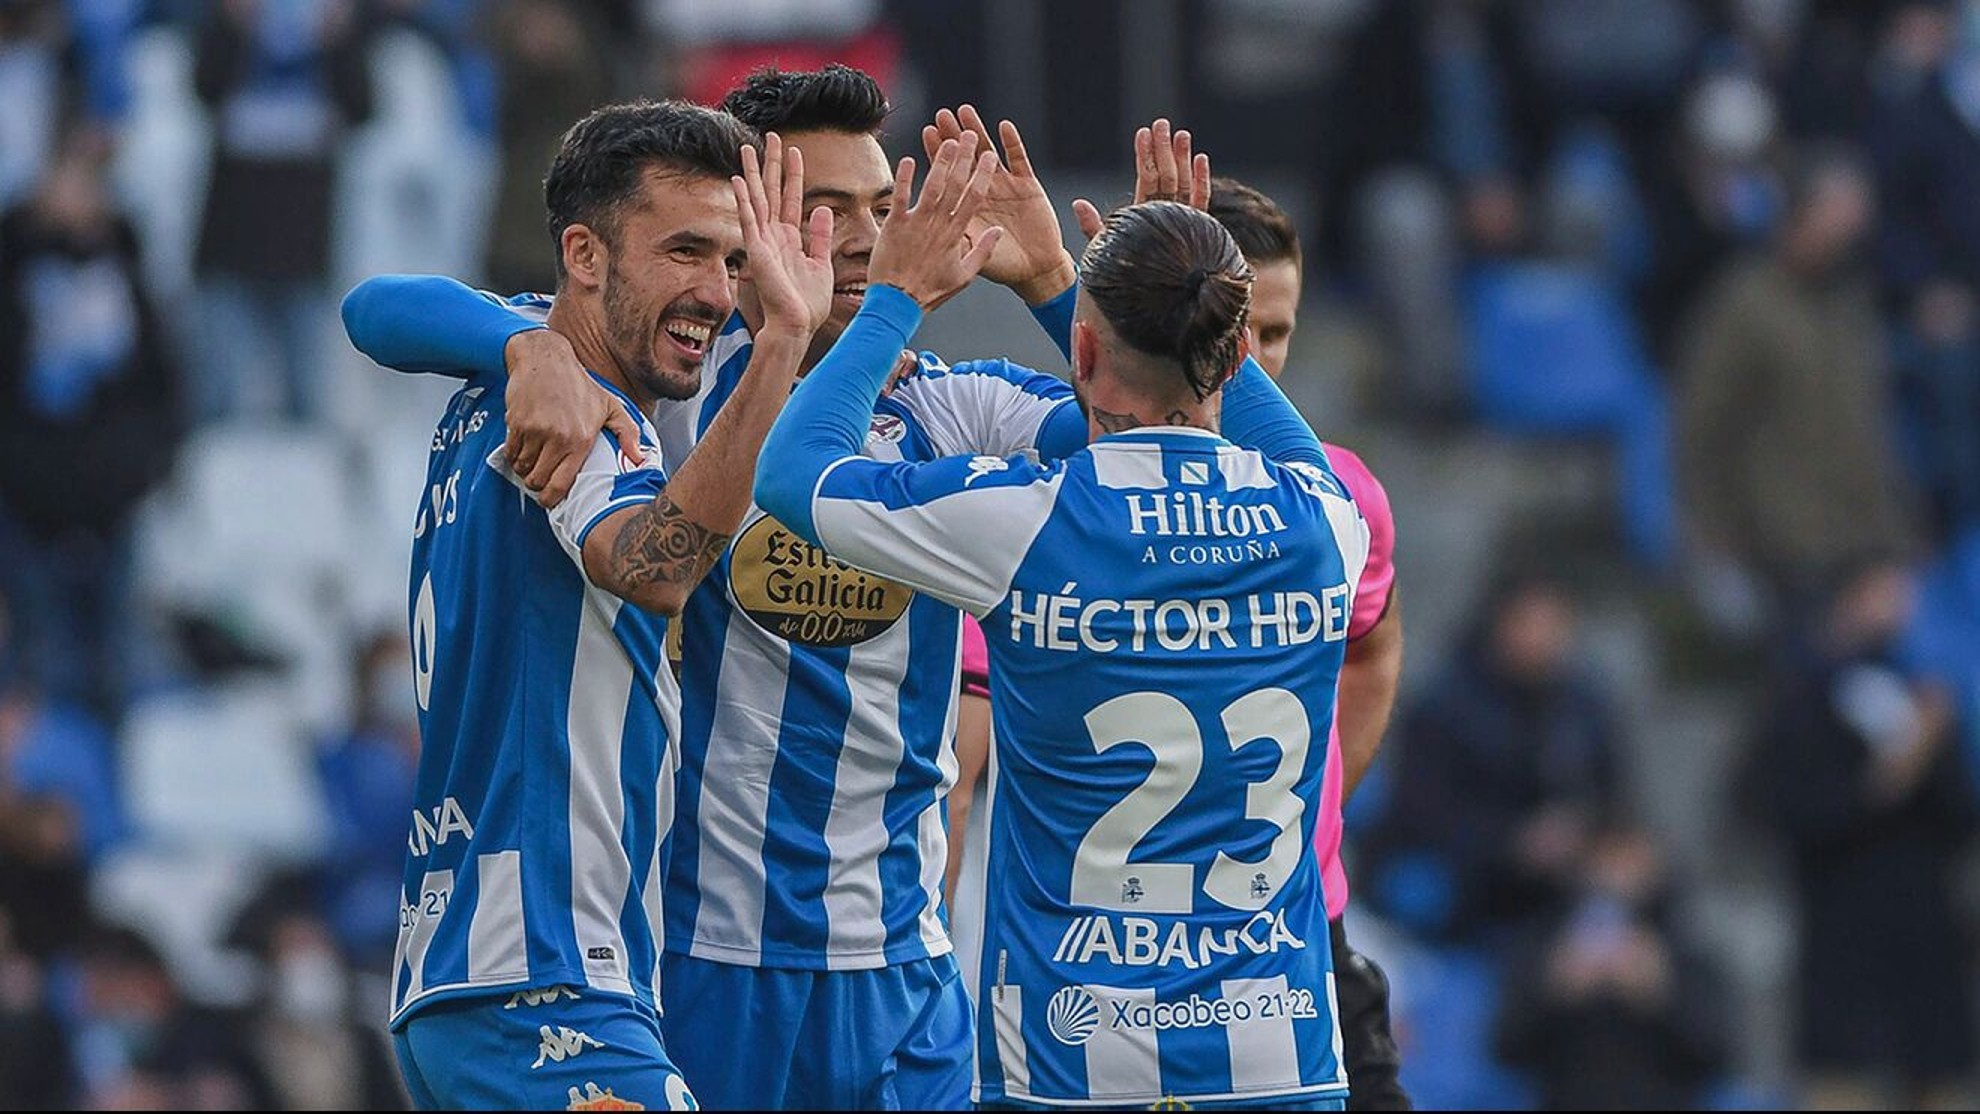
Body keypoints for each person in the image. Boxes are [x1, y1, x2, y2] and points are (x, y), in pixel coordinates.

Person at [342, 66, 1135, 1110]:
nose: (862, 239)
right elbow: (383, 306)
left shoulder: (954, 408)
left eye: (882, 210)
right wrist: (522, 341)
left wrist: (1051, 283)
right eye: (824, 210)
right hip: (701, 959)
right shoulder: (660, 383)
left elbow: (1145, 438)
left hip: (903, 964)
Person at [757, 193, 1367, 1109]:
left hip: (1073, 1061)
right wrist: (1087, 285)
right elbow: (1276, 433)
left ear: (1082, 353)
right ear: (1239, 354)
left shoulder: (1029, 515)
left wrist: (895, 297)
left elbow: (792, 471)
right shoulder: (1326, 520)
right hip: (1281, 1058)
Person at [363, 99, 839, 1110]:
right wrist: (785, 341)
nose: (718, 293)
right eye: (685, 252)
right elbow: (656, 565)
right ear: (585, 253)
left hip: (475, 967)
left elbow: (377, 305)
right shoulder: (591, 413)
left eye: (734, 262)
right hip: (543, 981)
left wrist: (525, 345)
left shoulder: (517, 375)